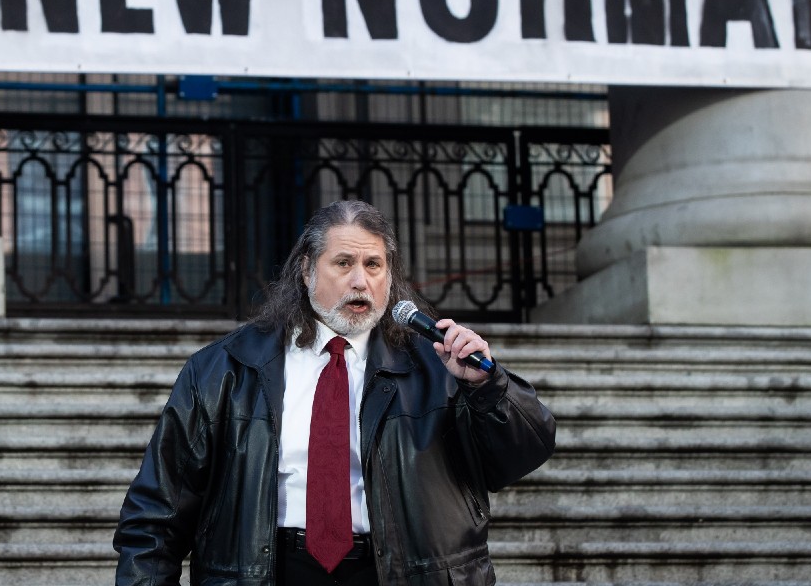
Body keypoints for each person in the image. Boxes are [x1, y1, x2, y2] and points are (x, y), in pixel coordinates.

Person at [114, 200, 555, 585]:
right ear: (307, 270)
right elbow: (157, 513)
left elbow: (520, 455)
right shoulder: (224, 369)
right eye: (343, 263)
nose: (360, 281)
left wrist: (485, 386)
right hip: (269, 569)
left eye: (373, 265)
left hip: (401, 572)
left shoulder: (440, 368)